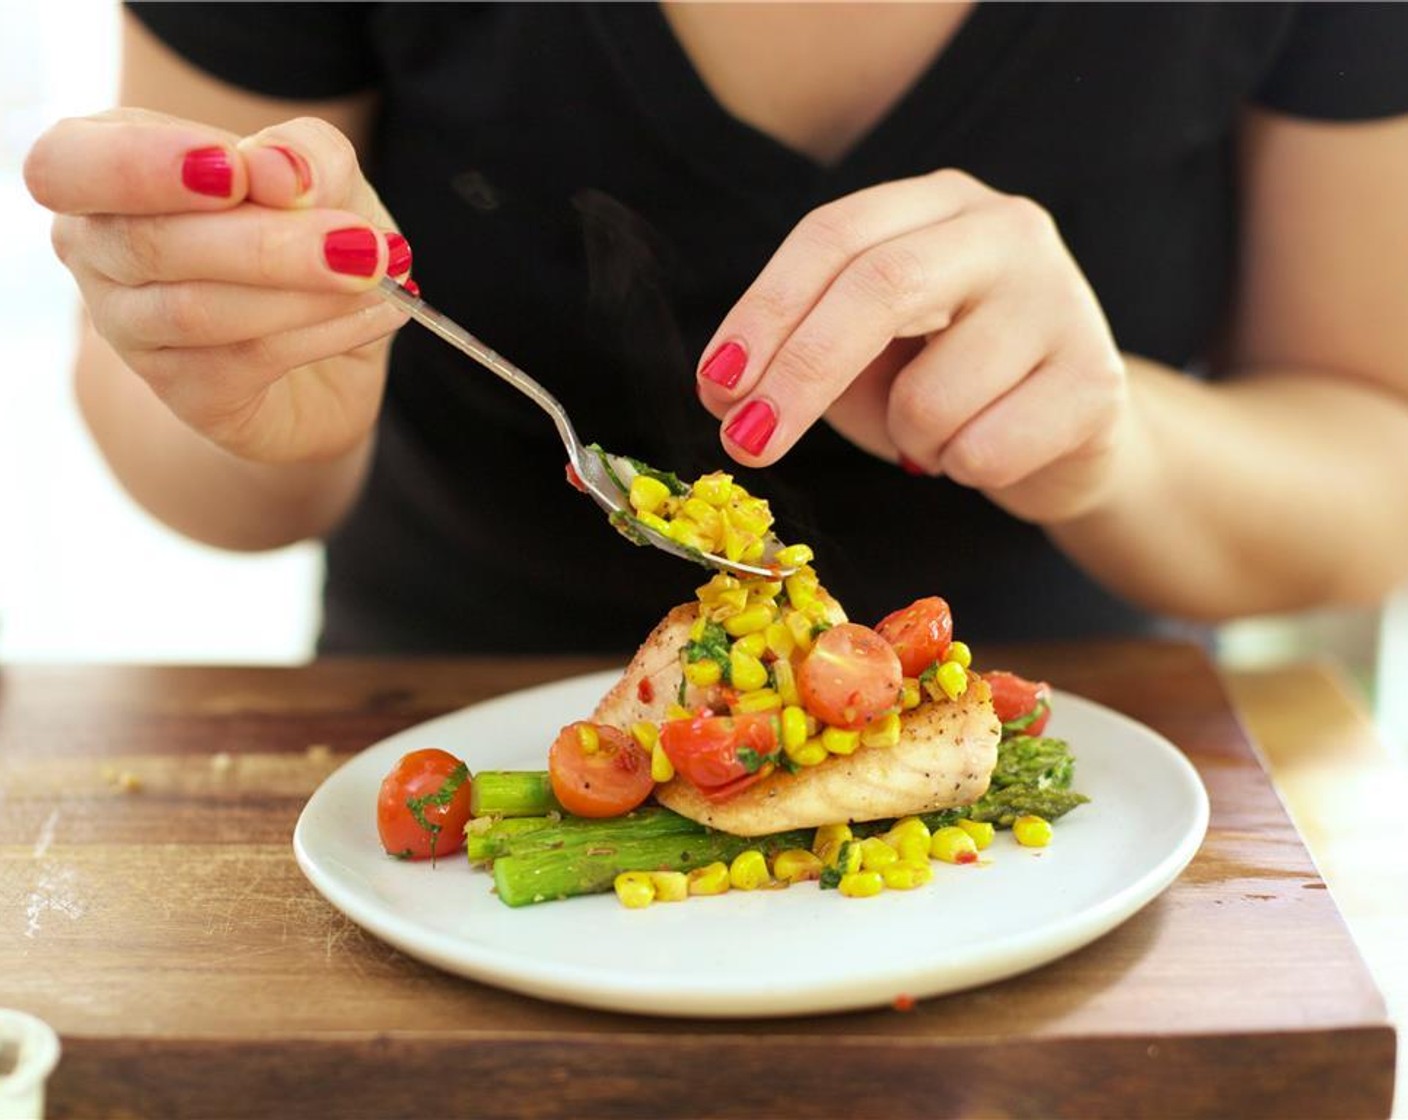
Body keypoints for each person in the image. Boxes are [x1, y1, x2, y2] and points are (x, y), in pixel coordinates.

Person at [23, 2, 1408, 656]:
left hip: (1077, 785)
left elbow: (1375, 466)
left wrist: (1112, 441)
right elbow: (175, 445)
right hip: (434, 752)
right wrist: (250, 402)